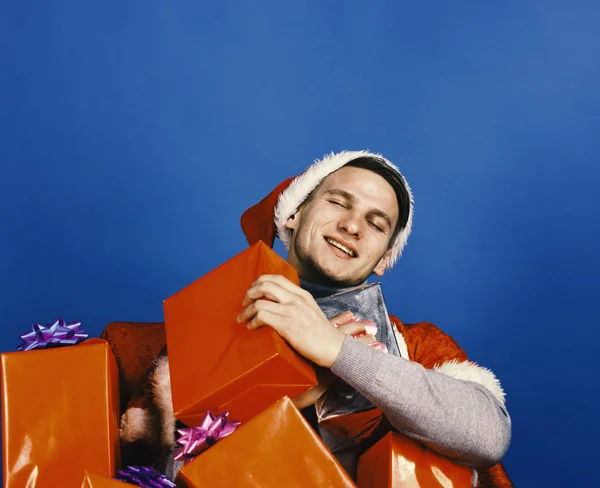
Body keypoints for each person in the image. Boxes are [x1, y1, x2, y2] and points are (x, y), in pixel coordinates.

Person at [109, 150, 512, 487]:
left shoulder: (418, 344)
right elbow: (161, 476)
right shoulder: (203, 332)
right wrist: (278, 397)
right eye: (338, 202)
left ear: (385, 258)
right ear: (293, 215)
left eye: (376, 223)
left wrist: (337, 351)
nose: (352, 226)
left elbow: (488, 437)